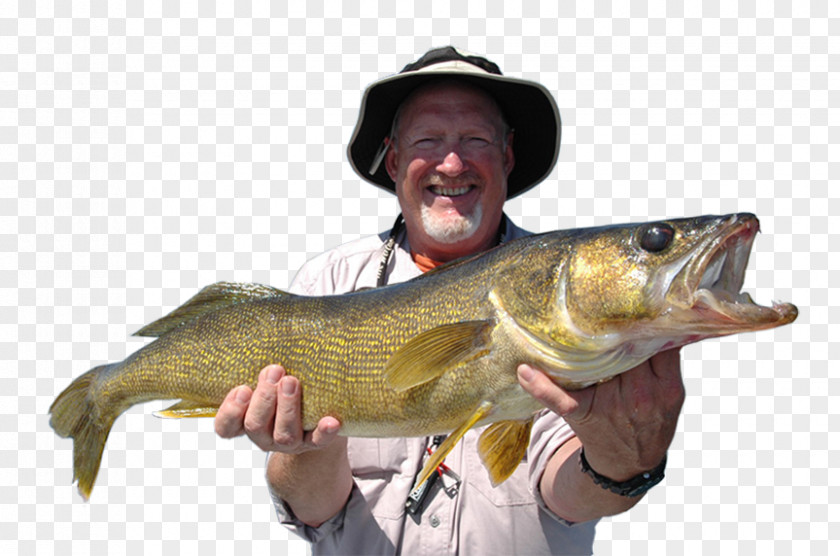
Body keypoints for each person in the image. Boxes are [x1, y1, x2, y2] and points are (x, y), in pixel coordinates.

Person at [214, 47, 685, 555]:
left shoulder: (565, 305)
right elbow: (314, 511)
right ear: (394, 160)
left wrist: (624, 464)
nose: (453, 161)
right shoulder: (329, 281)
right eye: (429, 140)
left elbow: (566, 495)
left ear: (506, 156)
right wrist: (304, 449)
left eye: (475, 140)